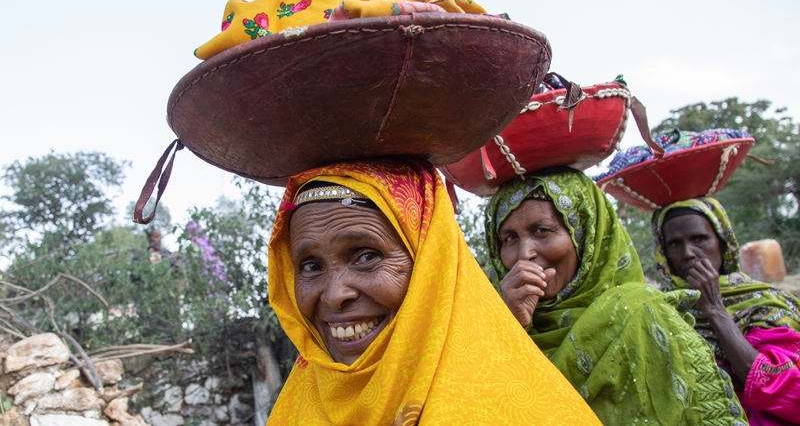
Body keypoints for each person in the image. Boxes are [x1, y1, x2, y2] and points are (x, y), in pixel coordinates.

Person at [266, 158, 600, 425]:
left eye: (367, 256)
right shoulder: (302, 402)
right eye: (310, 265)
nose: (335, 294)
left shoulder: (513, 408)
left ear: (432, 265)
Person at [485, 168, 747, 425]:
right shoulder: (491, 332)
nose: (524, 254)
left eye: (542, 230)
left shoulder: (641, 314)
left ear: (588, 237)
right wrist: (510, 331)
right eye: (509, 238)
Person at [653, 197, 800, 425]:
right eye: (674, 244)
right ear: (664, 254)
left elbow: (787, 391)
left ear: (722, 243)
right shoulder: (658, 310)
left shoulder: (764, 303)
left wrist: (714, 308)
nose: (688, 253)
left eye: (699, 239)